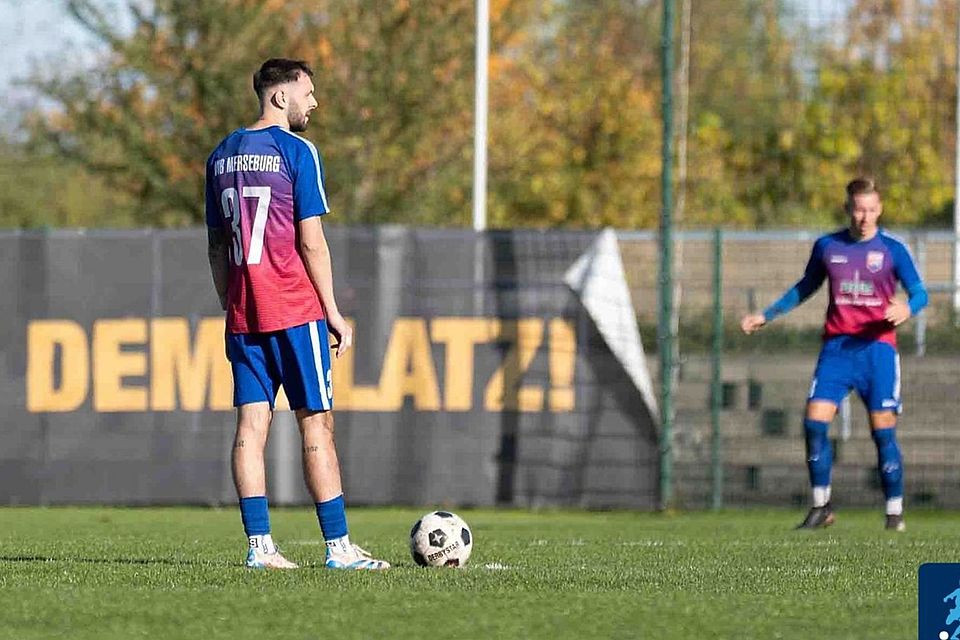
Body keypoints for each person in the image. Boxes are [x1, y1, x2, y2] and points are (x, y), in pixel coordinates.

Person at [205, 58, 389, 569]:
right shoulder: (297, 151)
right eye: (307, 92)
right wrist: (333, 311)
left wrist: (230, 299)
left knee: (249, 428)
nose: (313, 102)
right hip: (294, 308)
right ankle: (338, 548)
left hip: (244, 316)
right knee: (317, 427)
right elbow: (312, 241)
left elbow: (217, 246)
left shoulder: (219, 155)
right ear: (280, 96)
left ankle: (259, 548)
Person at [740, 177, 927, 532]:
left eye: (871, 209)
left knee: (883, 432)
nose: (864, 217)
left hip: (878, 351)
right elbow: (805, 286)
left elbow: (920, 292)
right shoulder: (828, 247)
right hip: (838, 351)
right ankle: (821, 506)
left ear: (880, 209)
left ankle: (894, 514)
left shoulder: (893, 250)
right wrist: (765, 315)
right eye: (858, 209)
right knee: (813, 423)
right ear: (847, 209)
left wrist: (908, 308)